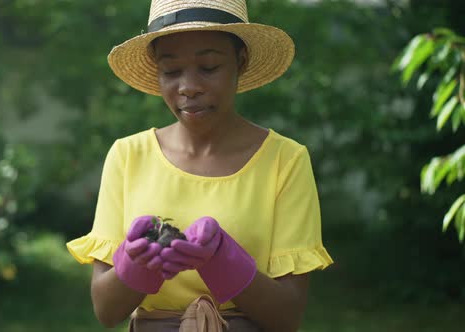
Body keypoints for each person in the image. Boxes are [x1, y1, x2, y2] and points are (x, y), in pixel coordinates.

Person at [66, 0, 333, 331]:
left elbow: (287, 317)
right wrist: (139, 262)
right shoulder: (127, 156)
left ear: (241, 61)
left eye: (208, 68)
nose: (189, 87)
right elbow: (106, 311)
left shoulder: (284, 160)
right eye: (171, 71)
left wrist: (222, 259)